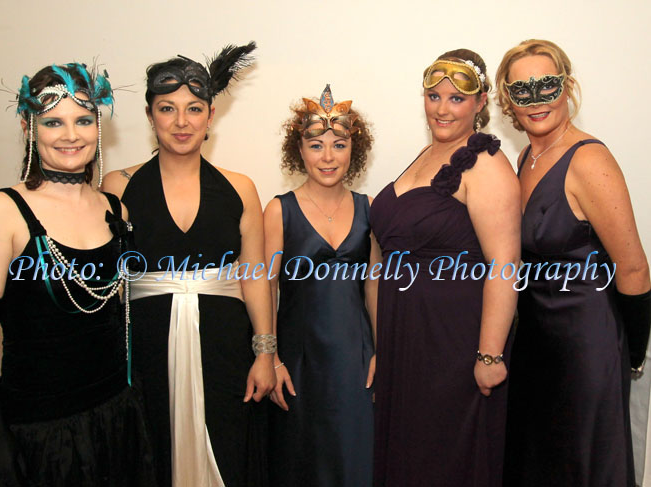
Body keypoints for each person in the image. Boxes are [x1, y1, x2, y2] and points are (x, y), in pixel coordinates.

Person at [0, 63, 156, 486]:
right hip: (39, 428)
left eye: (84, 120)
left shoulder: (114, 209)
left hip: (114, 414)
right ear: (30, 128)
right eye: (54, 122)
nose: (71, 135)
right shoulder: (1, 212)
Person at [101, 42, 276, 487]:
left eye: (194, 108)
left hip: (225, 346)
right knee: (151, 448)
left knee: (227, 443)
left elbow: (254, 276)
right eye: (167, 108)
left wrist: (265, 353)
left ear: (211, 115)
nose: (182, 122)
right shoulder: (117, 186)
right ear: (149, 115)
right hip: (145, 346)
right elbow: (106, 283)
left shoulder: (240, 188)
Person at [496, 39, 651, 487]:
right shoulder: (526, 158)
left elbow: (634, 268)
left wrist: (631, 353)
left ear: (567, 86)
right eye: (522, 90)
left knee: (582, 465)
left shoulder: (589, 159)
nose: (536, 99)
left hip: (586, 345)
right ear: (508, 100)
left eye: (548, 85)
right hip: (536, 344)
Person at [370, 49, 520, 486]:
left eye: (456, 98)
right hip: (406, 342)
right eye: (433, 96)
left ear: (480, 102)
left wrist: (489, 355)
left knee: (445, 460)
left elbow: (505, 266)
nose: (442, 108)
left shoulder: (485, 164)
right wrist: (384, 346)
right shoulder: (424, 155)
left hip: (453, 345)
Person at [264, 85, 377, 487]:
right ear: (299, 151)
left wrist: (380, 351)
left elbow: (373, 288)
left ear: (354, 150)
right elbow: (265, 287)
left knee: (356, 459)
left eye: (339, 144)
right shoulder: (279, 210)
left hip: (355, 359)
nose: (328, 157)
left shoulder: (369, 209)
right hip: (299, 360)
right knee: (303, 460)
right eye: (316, 145)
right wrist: (270, 356)